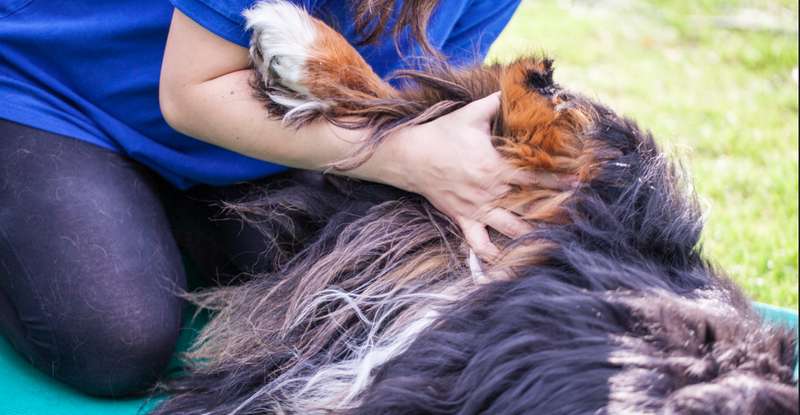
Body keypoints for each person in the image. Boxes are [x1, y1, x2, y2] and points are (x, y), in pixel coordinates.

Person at [0, 0, 525, 397]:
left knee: (338, 309)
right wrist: (404, 155)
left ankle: (147, 210)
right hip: (57, 92)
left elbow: (409, 92)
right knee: (116, 342)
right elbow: (190, 95)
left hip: (250, 144)